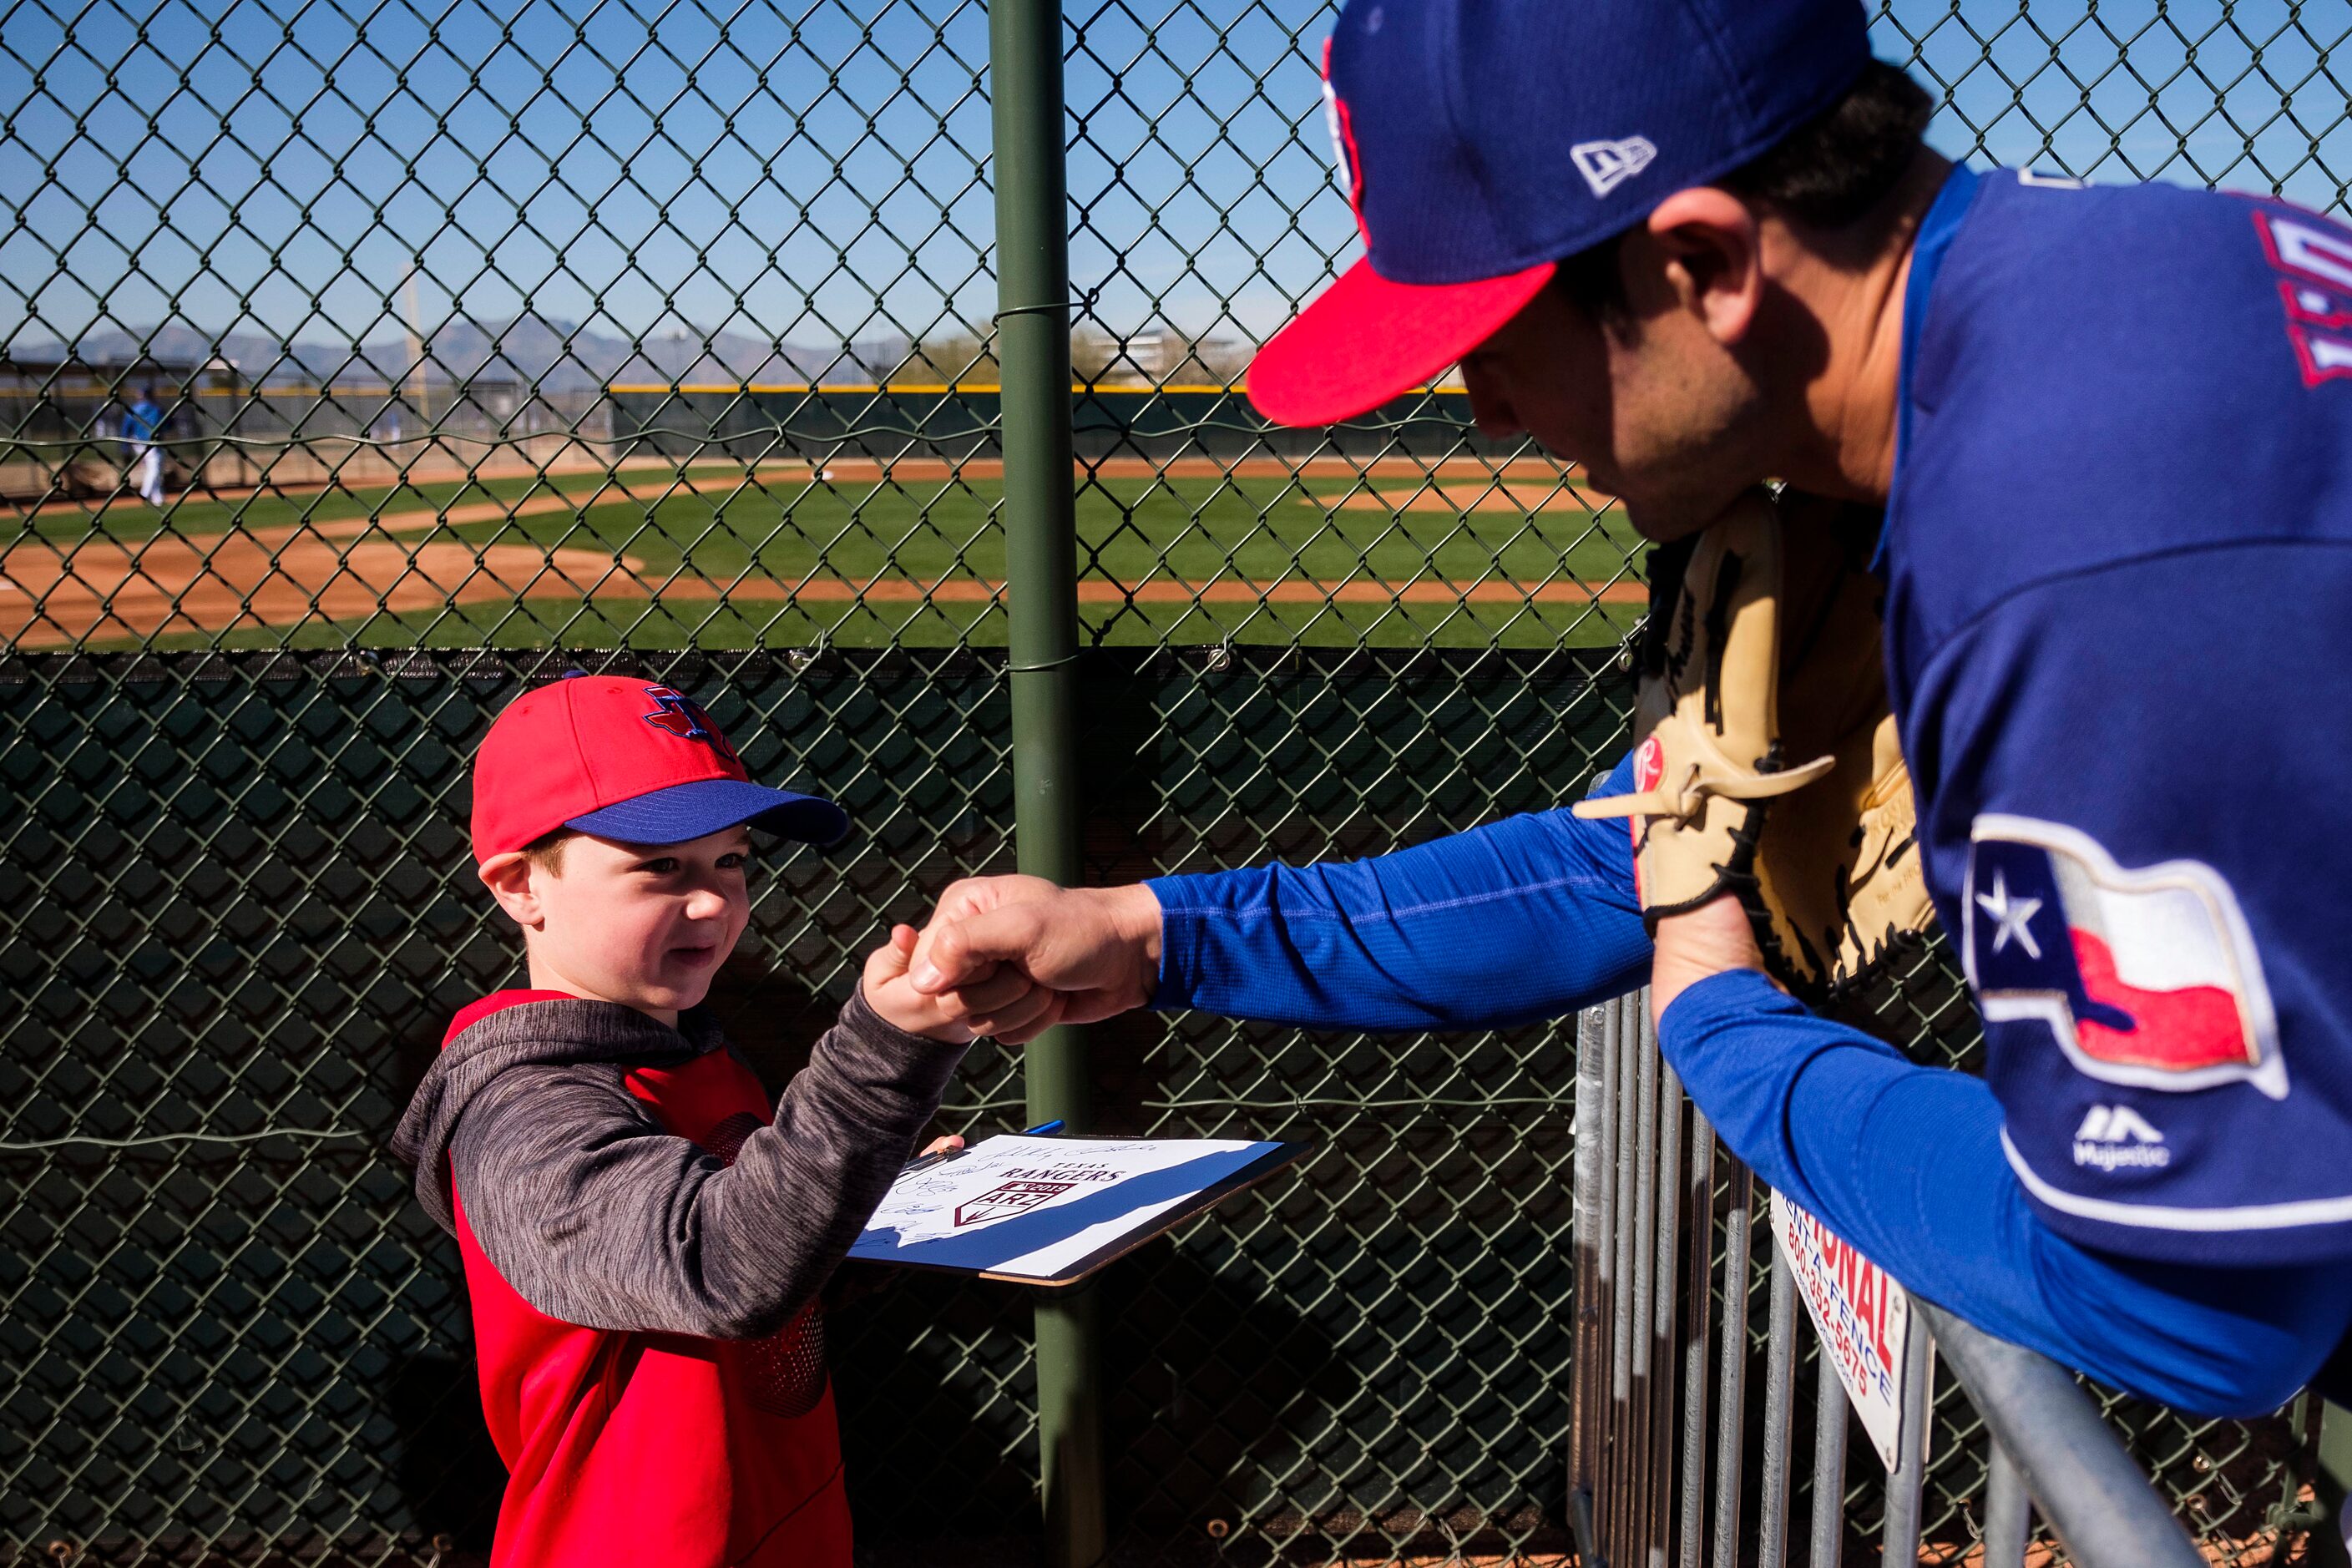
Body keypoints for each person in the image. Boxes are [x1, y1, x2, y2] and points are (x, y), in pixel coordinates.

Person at [905, 0, 2352, 1420]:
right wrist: (1162, 932)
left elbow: (2185, 1306)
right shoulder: (2092, 293)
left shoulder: (2077, 545)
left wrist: (1726, 1029)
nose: (1477, 405)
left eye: (1496, 329)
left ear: (1699, 263)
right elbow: (1635, 854)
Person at [390, 673, 1055, 1567]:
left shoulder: (690, 1050)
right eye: (659, 867)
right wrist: (884, 1050)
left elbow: (762, 1256)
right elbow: (716, 1272)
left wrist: (871, 1212)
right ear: (519, 885)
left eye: (731, 860)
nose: (713, 902)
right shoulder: (520, 1109)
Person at [119, 384, 166, 505]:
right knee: (154, 469)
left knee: (153, 469)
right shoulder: (156, 409)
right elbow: (167, 425)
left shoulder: (133, 410)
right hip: (152, 442)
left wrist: (125, 448)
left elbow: (126, 429)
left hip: (137, 443)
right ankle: (144, 494)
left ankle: (158, 498)